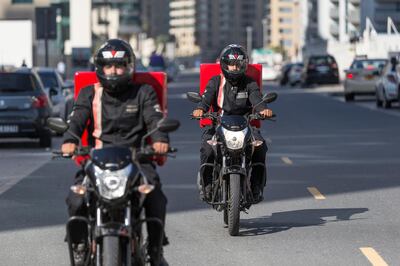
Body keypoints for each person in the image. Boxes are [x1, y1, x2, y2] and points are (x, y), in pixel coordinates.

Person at [62, 39, 169, 266]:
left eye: (119, 65)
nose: (114, 70)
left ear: (129, 66)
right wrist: (69, 140)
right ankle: (80, 244)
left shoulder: (144, 92)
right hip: (97, 158)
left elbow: (155, 120)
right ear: (100, 67)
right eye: (108, 65)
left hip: (137, 159)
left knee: (155, 197)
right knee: (76, 198)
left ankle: (154, 250)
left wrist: (160, 140)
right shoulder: (88, 93)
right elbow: (76, 120)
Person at [192, 44, 273, 202]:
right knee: (207, 148)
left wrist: (264, 109)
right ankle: (207, 184)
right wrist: (200, 109)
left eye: (239, 64)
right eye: (232, 64)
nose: (235, 68)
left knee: (260, 147)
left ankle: (256, 186)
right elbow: (206, 98)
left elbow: (257, 99)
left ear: (244, 65)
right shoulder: (215, 81)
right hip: (218, 124)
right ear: (224, 64)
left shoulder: (249, 83)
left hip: (246, 124)